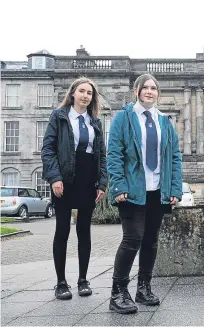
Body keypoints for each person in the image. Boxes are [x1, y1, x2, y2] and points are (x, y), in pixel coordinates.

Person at [107, 74, 182, 314]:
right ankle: (118, 292)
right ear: (137, 90)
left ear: (158, 93)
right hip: (132, 190)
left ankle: (144, 288)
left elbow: (174, 157)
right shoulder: (124, 117)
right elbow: (114, 152)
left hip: (157, 190)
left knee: (150, 241)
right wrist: (118, 185)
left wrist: (174, 188)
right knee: (133, 239)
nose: (150, 91)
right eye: (145, 87)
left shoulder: (164, 121)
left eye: (154, 88)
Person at [41, 77, 107, 300]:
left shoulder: (95, 122)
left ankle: (82, 280)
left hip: (88, 182)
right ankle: (61, 283)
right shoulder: (59, 117)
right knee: (62, 231)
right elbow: (48, 149)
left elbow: (102, 156)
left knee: (84, 232)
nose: (86, 95)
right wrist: (54, 178)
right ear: (72, 94)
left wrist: (102, 183)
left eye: (89, 93)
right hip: (64, 180)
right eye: (82, 91)